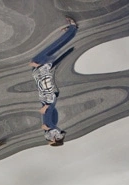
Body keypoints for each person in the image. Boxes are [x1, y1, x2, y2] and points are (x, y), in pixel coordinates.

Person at [30, 17, 78, 145]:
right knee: (46, 54)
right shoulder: (52, 128)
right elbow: (52, 113)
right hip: (46, 89)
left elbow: (53, 113)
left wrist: (46, 107)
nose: (49, 139)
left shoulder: (50, 127)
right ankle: (72, 30)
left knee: (52, 52)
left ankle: (70, 32)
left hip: (44, 89)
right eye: (51, 140)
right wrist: (48, 107)